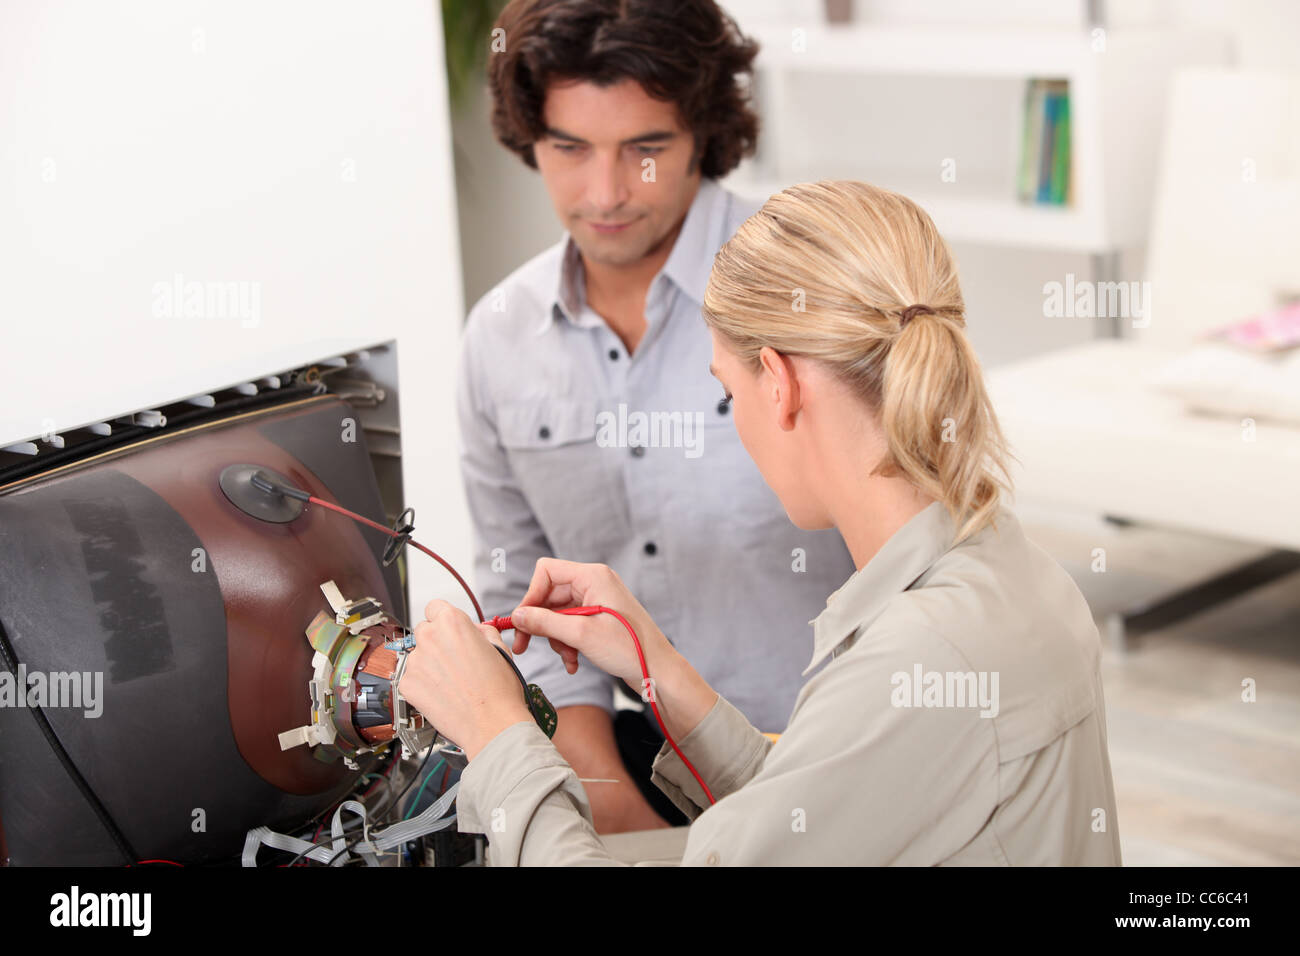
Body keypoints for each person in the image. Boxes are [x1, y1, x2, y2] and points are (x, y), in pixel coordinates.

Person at [404, 180, 1123, 865]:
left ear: (778, 383)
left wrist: (497, 731)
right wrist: (657, 666)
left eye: (726, 390)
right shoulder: (1001, 568)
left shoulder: (919, 658)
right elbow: (823, 814)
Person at [456, 0, 855, 833]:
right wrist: (615, 808)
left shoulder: (814, 287)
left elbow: (924, 558)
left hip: (840, 752)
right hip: (633, 757)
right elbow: (520, 600)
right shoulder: (499, 338)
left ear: (703, 132)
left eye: (645, 149)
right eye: (569, 148)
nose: (605, 192)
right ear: (529, 136)